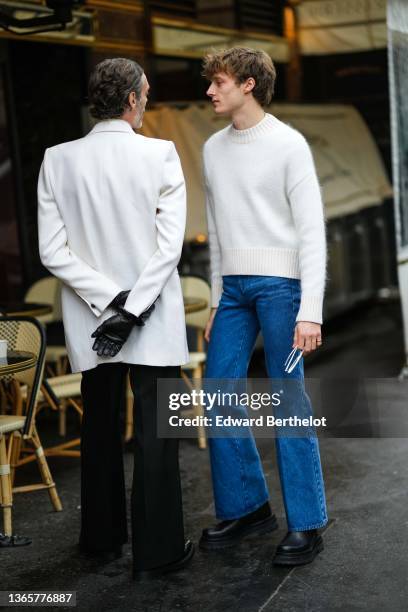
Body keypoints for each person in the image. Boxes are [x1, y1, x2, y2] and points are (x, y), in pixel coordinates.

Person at [37, 58, 194, 579]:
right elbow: (169, 249)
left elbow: (52, 253)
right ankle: (161, 549)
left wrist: (109, 302)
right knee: (157, 432)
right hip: (151, 317)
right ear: (130, 99)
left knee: (100, 430)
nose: (146, 103)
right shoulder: (160, 154)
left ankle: (101, 540)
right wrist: (132, 307)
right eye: (145, 94)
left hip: (91, 320)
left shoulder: (56, 159)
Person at [200, 47, 328, 565]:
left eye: (220, 82)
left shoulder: (289, 145)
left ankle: (307, 522)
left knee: (288, 398)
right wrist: (214, 298)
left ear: (249, 84)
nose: (210, 91)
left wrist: (311, 309)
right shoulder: (211, 148)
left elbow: (311, 232)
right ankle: (248, 504)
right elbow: (214, 228)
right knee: (216, 391)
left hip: (284, 290)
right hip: (232, 290)